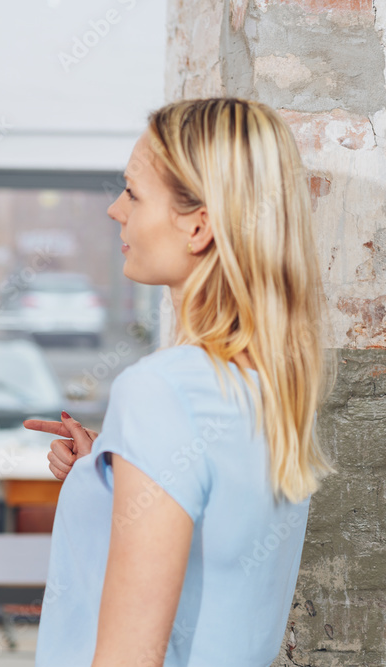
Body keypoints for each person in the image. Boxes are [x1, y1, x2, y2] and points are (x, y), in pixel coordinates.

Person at [25, 98, 332, 666]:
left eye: (133, 193)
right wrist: (111, 469)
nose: (115, 209)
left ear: (199, 225)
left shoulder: (163, 391)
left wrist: (145, 434)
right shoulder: (276, 387)